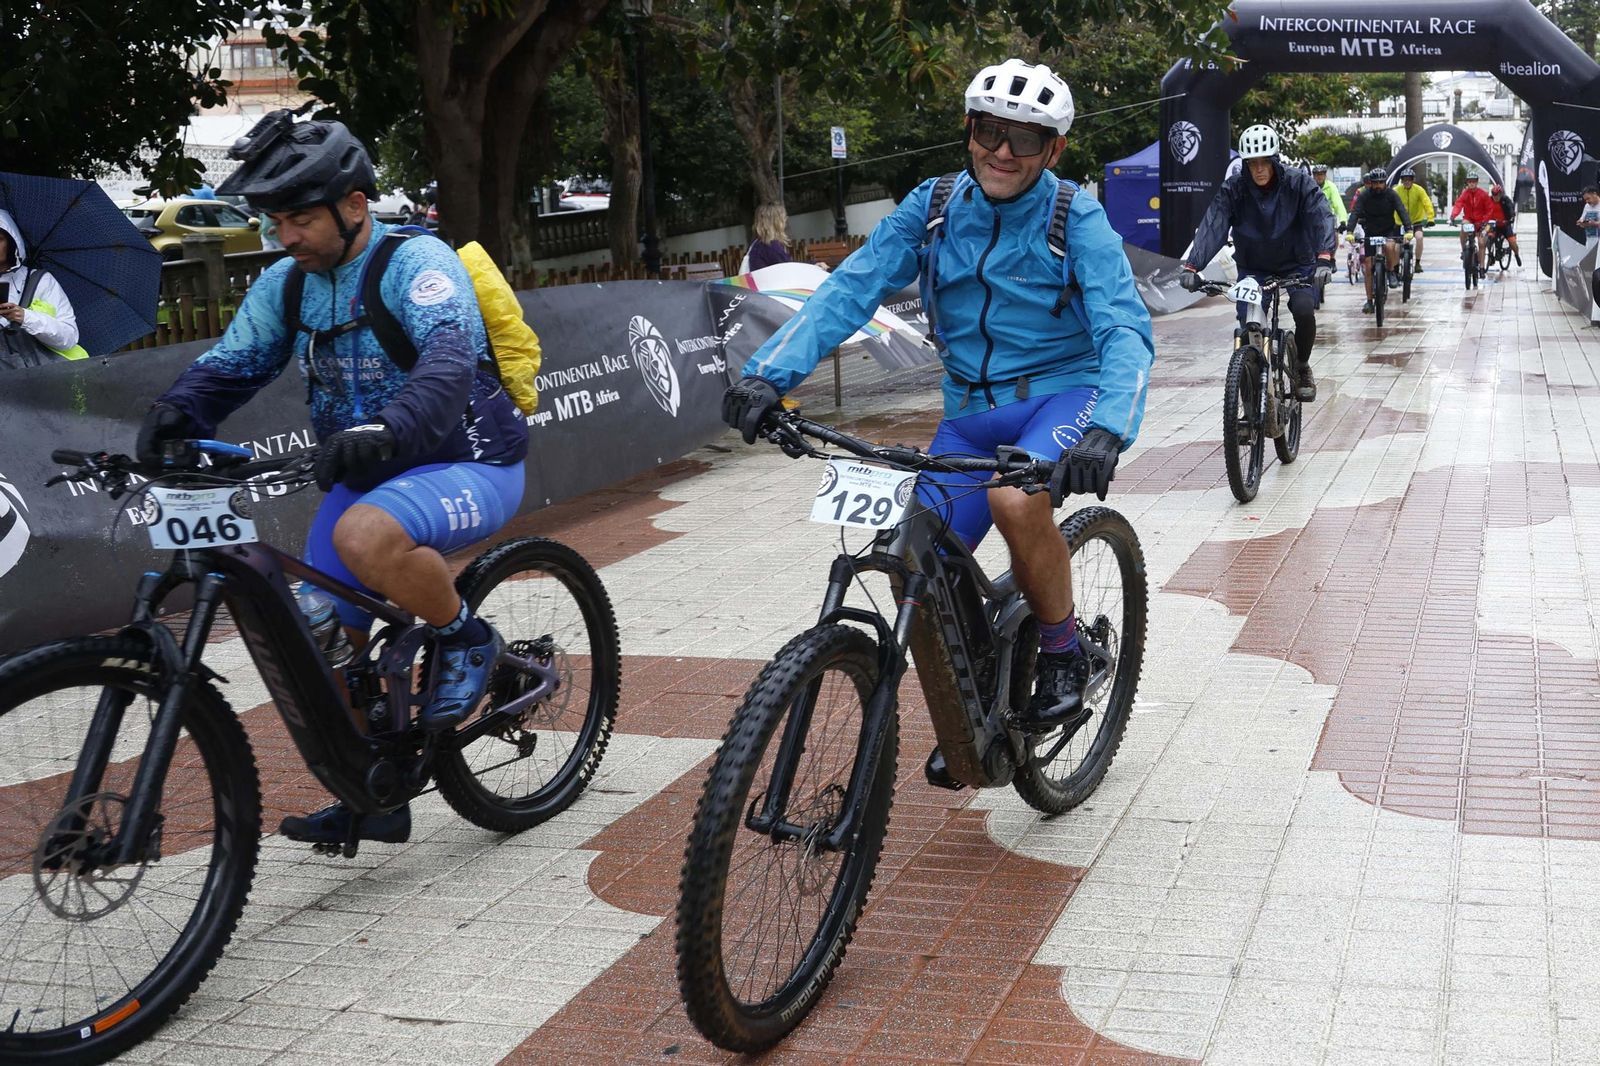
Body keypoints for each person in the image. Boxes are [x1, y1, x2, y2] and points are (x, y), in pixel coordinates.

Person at [722, 58, 1154, 765]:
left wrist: (1109, 426)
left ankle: (1063, 652)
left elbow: (1123, 327)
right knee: (913, 552)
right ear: (969, 130)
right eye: (989, 131)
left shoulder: (1074, 216)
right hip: (968, 413)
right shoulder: (935, 206)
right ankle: (977, 699)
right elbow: (852, 288)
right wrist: (768, 377)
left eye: (1024, 138)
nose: (1002, 152)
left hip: (1062, 395)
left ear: (1053, 150)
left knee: (1014, 500)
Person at [134, 112, 530, 847]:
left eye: (300, 219)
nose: (284, 236)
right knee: (315, 639)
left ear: (354, 204)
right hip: (368, 469)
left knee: (363, 535)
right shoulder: (288, 285)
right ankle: (373, 795)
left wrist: (388, 427)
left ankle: (466, 637)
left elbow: (448, 362)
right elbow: (235, 362)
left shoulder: (417, 263)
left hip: (468, 458)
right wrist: (175, 413)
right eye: (275, 220)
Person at [1179, 125, 1334, 400]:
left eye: (1265, 162)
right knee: (1247, 322)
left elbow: (1320, 216)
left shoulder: (1298, 183)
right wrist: (1193, 266)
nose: (1259, 169)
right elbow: (1214, 225)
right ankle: (1251, 394)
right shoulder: (1233, 189)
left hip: (1297, 263)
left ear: (1275, 160)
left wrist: (1324, 257)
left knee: (1303, 311)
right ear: (1245, 164)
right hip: (1254, 267)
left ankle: (1301, 366)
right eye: (1252, 163)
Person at [0, 209, 88, 368]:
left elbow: (68, 338)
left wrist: (24, 317)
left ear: (11, 242)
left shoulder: (39, 281)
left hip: (43, 376)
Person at [1348, 168, 1411, 313]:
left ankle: (1391, 271)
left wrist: (1408, 229)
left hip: (1388, 230)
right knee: (1368, 265)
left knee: (1389, 247)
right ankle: (1369, 301)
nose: (1378, 185)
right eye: (1375, 183)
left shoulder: (1391, 194)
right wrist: (1350, 231)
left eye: (1381, 182)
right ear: (1370, 183)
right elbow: (1355, 212)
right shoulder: (1364, 195)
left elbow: (1401, 210)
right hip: (1370, 231)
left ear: (1385, 183)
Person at [1448, 173, 1501, 278]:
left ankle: (1481, 268)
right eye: (1469, 181)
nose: (1471, 183)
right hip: (1469, 220)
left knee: (1482, 243)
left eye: (1473, 181)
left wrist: (1485, 221)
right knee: (1463, 227)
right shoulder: (1465, 194)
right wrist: (1453, 215)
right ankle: (1464, 250)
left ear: (1477, 182)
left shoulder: (1483, 194)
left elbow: (1490, 209)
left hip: (1482, 222)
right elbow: (1458, 204)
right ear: (1467, 183)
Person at [1395, 168, 1434, 272]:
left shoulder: (1419, 190)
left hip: (1415, 221)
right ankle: (1395, 267)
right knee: (1396, 245)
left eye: (1409, 179)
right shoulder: (1396, 190)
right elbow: (1389, 203)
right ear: (1402, 180)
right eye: (1404, 179)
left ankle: (1417, 263)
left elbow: (1427, 203)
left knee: (1419, 237)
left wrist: (1430, 218)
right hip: (1400, 222)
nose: (1407, 181)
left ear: (1413, 180)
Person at [743, 203, 793, 272]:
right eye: (783, 218)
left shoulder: (757, 244)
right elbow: (789, 269)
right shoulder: (771, 246)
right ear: (776, 222)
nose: (785, 220)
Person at [1487, 182, 1522, 266]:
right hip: (1492, 224)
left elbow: (1511, 209)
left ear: (1500, 194)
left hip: (1504, 224)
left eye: (1497, 195)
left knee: (1512, 242)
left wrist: (1511, 218)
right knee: (1485, 237)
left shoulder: (1505, 200)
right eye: (1493, 195)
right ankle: (1490, 255)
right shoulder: (1489, 200)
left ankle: (1516, 254)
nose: (1495, 197)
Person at [1311, 164, 1348, 232]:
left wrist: (1343, 221)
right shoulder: (1309, 186)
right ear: (1313, 176)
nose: (1319, 177)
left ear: (1325, 176)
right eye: (1317, 175)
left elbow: (1338, 204)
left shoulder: (1331, 186)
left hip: (1327, 218)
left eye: (1321, 174)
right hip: (1313, 218)